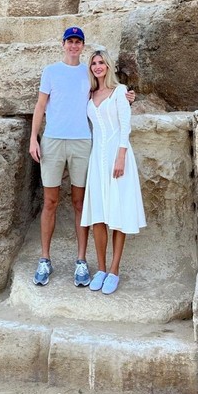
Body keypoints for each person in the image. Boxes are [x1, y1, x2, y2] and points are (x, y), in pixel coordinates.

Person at [29, 28, 134, 287]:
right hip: (53, 141)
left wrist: (129, 96)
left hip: (82, 143)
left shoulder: (88, 75)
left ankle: (81, 261)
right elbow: (41, 105)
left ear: (82, 46)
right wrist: (34, 138)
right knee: (50, 201)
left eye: (78, 42)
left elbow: (109, 91)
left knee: (80, 203)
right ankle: (44, 258)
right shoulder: (51, 71)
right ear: (63, 44)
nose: (73, 46)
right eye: (70, 41)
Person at [81, 48, 146, 295]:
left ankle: (115, 270)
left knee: (117, 213)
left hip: (118, 158)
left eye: (101, 62)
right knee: (98, 215)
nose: (97, 66)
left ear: (108, 66)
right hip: (97, 159)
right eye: (94, 63)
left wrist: (121, 157)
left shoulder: (120, 92)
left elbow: (125, 126)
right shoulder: (89, 95)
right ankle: (101, 268)